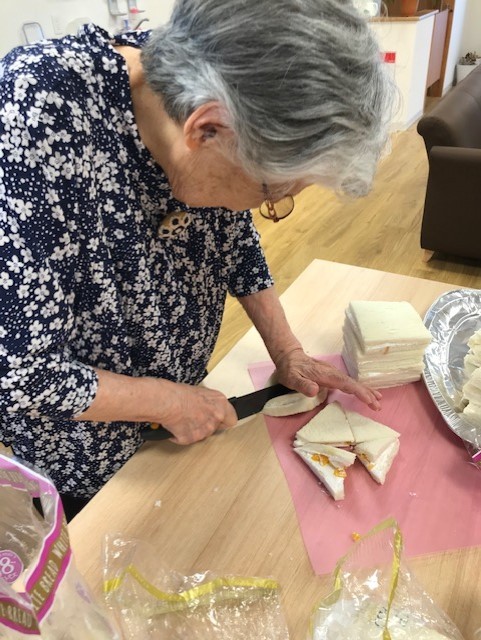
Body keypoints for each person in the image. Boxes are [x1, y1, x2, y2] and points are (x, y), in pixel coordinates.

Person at [0, 0, 394, 520]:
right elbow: (18, 370)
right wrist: (166, 402)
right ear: (206, 129)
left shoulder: (207, 95)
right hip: (82, 455)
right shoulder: (35, 112)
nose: (267, 207)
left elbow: (233, 236)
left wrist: (288, 350)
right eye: (272, 192)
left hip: (178, 417)